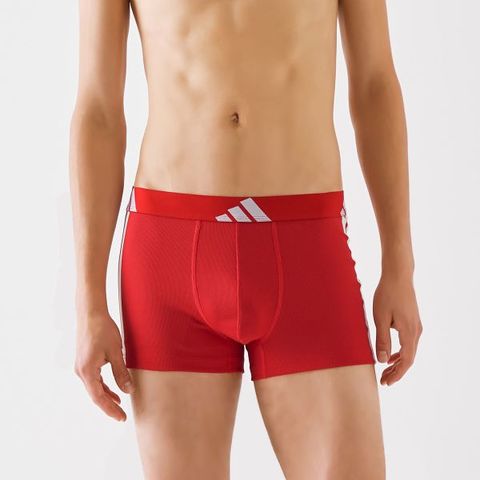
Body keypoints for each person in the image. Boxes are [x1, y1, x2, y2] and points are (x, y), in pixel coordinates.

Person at [69, 0, 423, 478]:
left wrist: (399, 263)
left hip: (306, 248)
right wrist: (89, 302)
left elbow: (375, 84)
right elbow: (98, 110)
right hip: (170, 250)